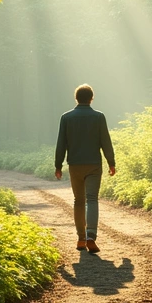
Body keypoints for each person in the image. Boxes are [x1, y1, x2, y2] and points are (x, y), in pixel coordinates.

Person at [55, 84, 116, 253]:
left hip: (75, 165)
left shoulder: (66, 118)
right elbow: (105, 141)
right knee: (92, 199)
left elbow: (61, 144)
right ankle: (91, 236)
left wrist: (58, 165)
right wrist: (111, 162)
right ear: (91, 98)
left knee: (79, 201)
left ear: (76, 98)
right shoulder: (99, 117)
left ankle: (81, 239)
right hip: (94, 165)